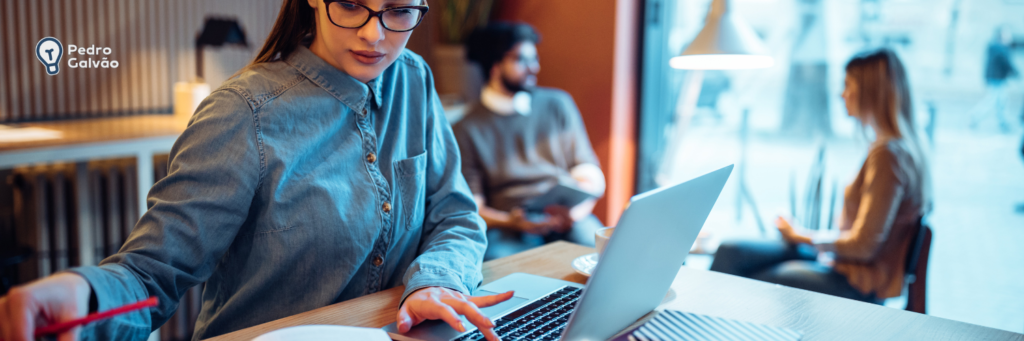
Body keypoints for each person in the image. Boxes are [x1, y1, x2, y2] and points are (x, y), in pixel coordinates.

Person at [0, 1, 514, 340]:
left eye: (399, 11)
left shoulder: (413, 79)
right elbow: (152, 272)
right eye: (351, 4)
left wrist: (434, 282)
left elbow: (454, 216)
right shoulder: (244, 111)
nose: (373, 33)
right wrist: (86, 293)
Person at [710, 49, 932, 303]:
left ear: (871, 92)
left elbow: (863, 246)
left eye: (848, 85)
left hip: (857, 281)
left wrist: (800, 235)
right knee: (731, 250)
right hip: (839, 263)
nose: (841, 94)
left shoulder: (887, 155)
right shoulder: (902, 148)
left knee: (750, 277)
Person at [455, 22, 606, 261]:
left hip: (567, 217)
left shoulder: (557, 104)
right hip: (509, 226)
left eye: (534, 58)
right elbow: (474, 207)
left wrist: (575, 213)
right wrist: (511, 222)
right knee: (501, 265)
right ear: (494, 65)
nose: (534, 67)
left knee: (603, 255)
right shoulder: (466, 128)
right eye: (522, 60)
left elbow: (588, 171)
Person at [970, 26, 1018, 132]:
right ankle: (975, 115)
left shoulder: (996, 47)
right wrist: (1015, 73)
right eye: (1007, 34)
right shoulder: (1000, 48)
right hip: (997, 79)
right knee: (993, 101)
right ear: (1001, 36)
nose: (1009, 36)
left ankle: (1003, 123)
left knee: (1001, 102)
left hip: (996, 78)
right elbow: (1006, 63)